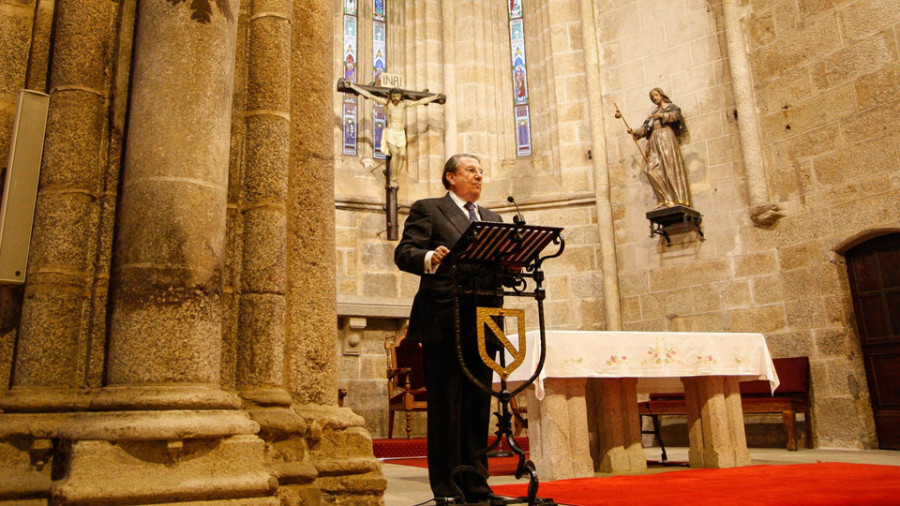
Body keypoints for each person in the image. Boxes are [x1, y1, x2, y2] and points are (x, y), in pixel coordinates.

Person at [394, 154, 505, 505]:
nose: (478, 177)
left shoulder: (493, 218)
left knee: (477, 404)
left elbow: (499, 266)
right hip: (444, 318)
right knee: (447, 406)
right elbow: (404, 252)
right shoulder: (429, 209)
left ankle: (477, 485)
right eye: (471, 171)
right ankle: (446, 488)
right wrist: (429, 257)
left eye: (481, 172)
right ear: (450, 177)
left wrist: (513, 263)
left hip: (484, 320)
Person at [346, 82, 442, 187]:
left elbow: (420, 101)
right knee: (395, 153)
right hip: (391, 132)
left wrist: (434, 97)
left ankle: (396, 176)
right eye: (394, 95)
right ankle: (393, 178)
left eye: (398, 95)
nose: (396, 98)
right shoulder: (387, 104)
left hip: (400, 133)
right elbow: (369, 95)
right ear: (391, 96)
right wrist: (352, 86)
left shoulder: (403, 105)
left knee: (402, 155)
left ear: (401, 96)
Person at [629, 87, 692, 209]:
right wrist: (634, 132)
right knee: (650, 169)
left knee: (669, 167)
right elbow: (645, 129)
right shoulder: (652, 115)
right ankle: (664, 199)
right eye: (652, 97)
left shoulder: (670, 107)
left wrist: (661, 115)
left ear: (662, 95)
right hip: (653, 141)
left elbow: (676, 116)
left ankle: (677, 198)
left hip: (666, 137)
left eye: (656, 95)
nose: (654, 98)